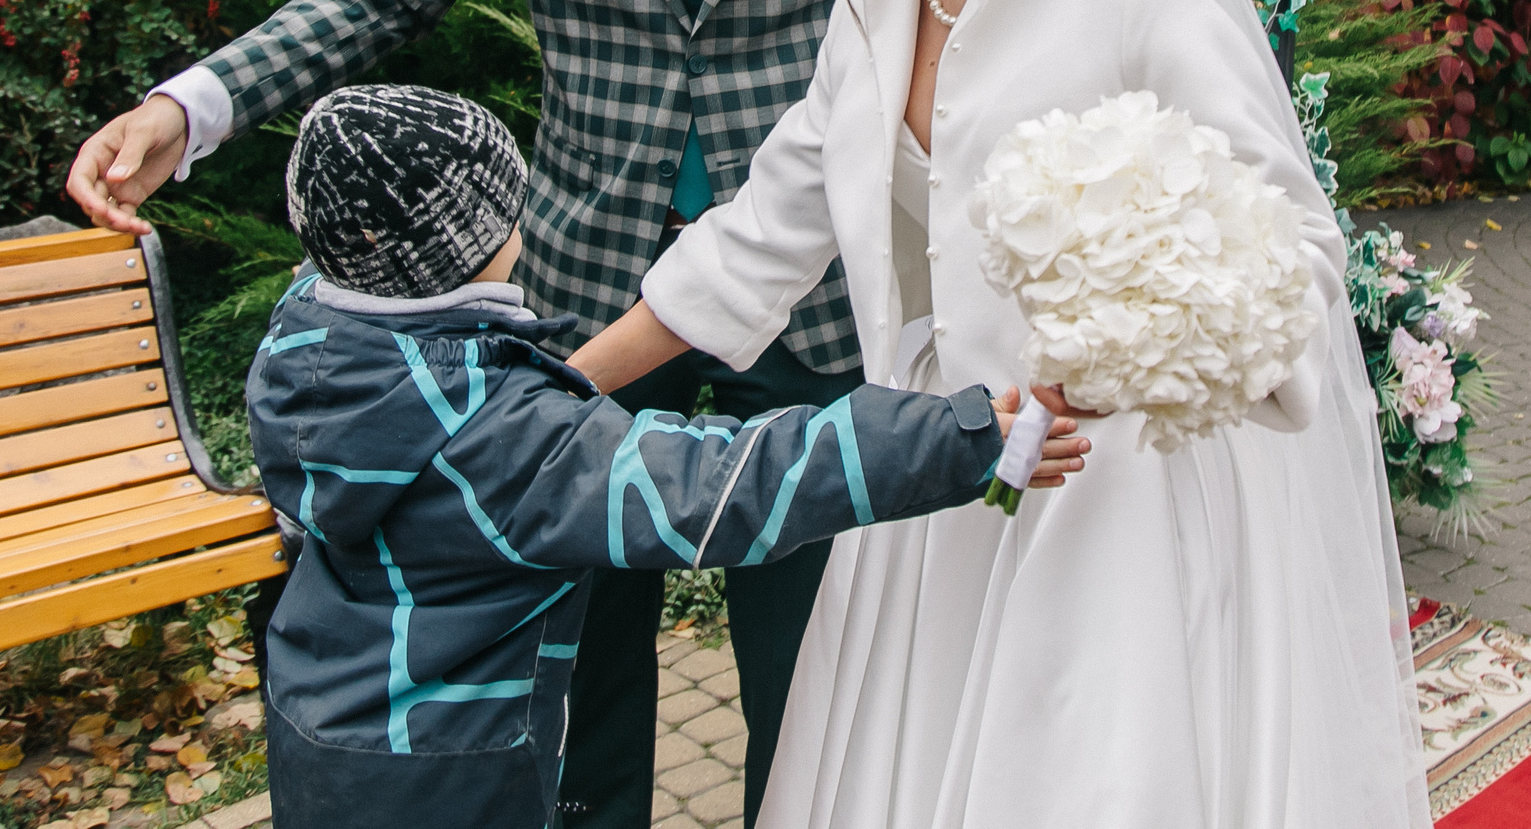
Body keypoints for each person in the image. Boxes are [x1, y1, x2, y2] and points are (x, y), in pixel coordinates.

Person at [66, 0, 865, 829]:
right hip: (590, 289)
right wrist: (186, 104)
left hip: (810, 278)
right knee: (583, 680)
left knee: (813, 675)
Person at [572, 0, 1434, 828]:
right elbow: (760, 231)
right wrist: (559, 389)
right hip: (925, 494)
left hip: (1106, 512)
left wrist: (1125, 357)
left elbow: (1290, 252)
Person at [249, 84, 1088, 829]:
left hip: (316, 733)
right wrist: (956, 435)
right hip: (453, 772)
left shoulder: (309, 350)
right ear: (482, 240)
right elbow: (724, 486)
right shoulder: (504, 441)